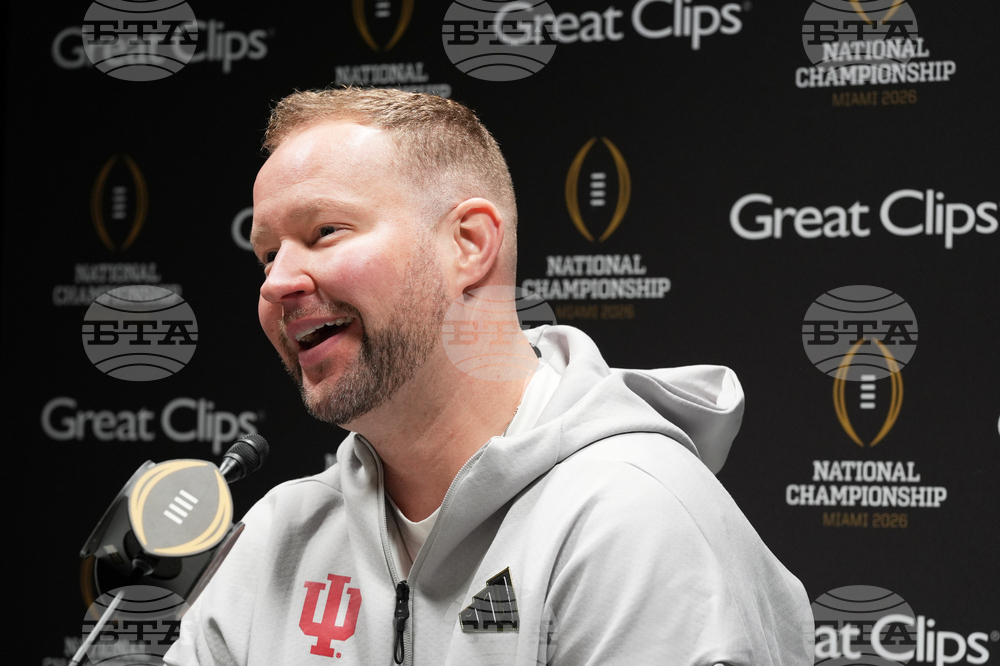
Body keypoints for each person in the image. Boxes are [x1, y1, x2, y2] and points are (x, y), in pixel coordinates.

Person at [164, 87, 813, 665]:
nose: (276, 282)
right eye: (267, 253)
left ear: (469, 245)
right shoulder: (279, 536)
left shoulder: (632, 517)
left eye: (325, 231)